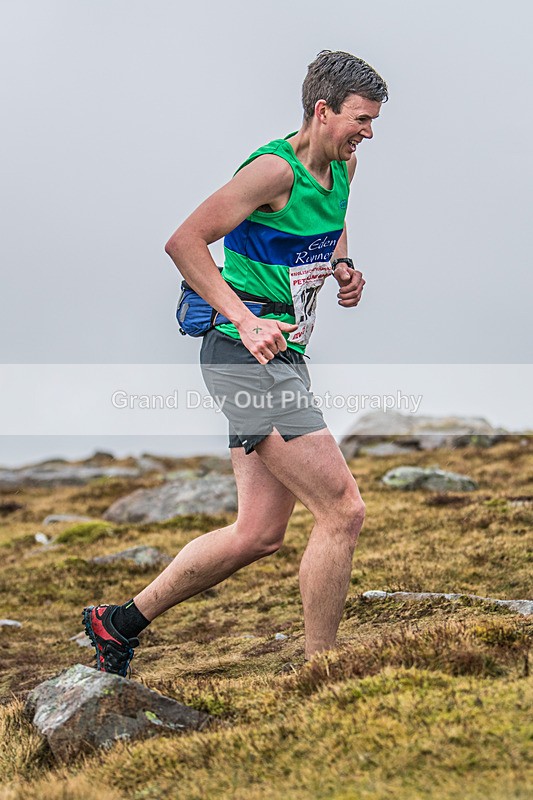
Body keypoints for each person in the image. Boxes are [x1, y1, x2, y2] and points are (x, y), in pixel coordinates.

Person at [83, 50, 388, 677]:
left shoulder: (345, 163)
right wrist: (246, 320)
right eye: (360, 118)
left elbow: (333, 222)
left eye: (373, 120)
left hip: (284, 353)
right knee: (343, 510)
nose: (369, 132)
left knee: (257, 534)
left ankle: (116, 625)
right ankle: (323, 673)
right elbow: (183, 242)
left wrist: (343, 267)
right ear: (322, 110)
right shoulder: (270, 172)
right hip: (242, 354)